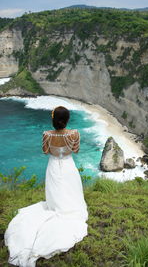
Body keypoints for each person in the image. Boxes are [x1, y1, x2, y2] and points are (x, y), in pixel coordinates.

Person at [4, 106, 88, 267]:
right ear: (67, 120)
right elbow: (76, 151)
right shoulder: (75, 134)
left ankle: (55, 208)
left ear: (53, 120)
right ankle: (69, 209)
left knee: (55, 191)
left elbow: (45, 151)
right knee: (70, 190)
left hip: (54, 167)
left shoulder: (47, 135)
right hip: (69, 167)